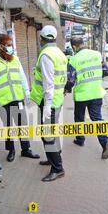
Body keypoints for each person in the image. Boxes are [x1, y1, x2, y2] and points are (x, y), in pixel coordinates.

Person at [0, 34, 39, 162]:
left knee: (22, 124)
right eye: (9, 45)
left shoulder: (15, 59)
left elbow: (22, 76)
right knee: (8, 126)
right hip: (4, 101)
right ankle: (11, 150)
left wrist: (27, 92)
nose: (11, 47)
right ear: (1, 46)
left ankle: (26, 149)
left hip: (18, 98)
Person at [30, 25, 68, 182]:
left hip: (49, 102)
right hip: (57, 99)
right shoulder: (59, 53)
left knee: (48, 135)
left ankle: (58, 168)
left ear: (42, 38)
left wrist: (47, 105)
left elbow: (48, 82)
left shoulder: (46, 55)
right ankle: (52, 159)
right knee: (51, 133)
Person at [65, 36, 108, 159]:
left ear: (74, 47)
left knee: (79, 118)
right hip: (96, 92)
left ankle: (80, 139)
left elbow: (70, 80)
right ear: (83, 43)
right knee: (97, 118)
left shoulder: (74, 60)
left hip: (82, 95)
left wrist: (66, 89)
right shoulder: (97, 54)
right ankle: (105, 141)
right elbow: (106, 71)